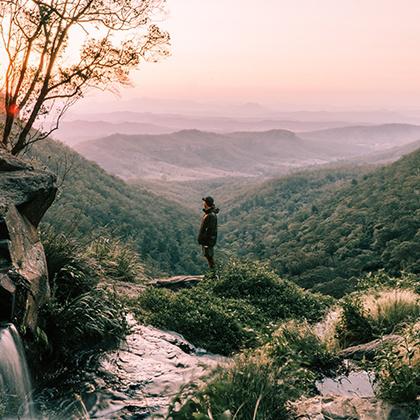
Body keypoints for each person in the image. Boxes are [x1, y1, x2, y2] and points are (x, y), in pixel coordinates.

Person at [197, 196, 219, 270]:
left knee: (209, 257)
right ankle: (213, 274)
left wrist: (206, 242)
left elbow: (210, 231)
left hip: (208, 242)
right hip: (207, 241)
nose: (203, 203)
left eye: (204, 202)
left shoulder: (211, 215)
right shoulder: (209, 214)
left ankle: (213, 275)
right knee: (208, 257)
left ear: (206, 203)